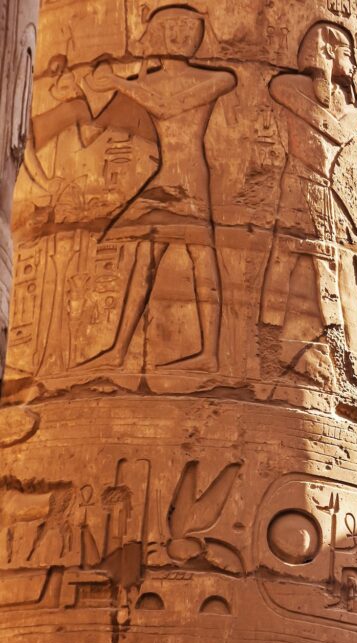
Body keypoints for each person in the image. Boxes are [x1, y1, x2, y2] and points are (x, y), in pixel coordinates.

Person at [80, 6, 235, 371]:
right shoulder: (145, 82)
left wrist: (118, 82)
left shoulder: (217, 77)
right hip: (166, 177)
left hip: (191, 178)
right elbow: (95, 117)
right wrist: (98, 81)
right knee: (144, 258)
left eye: (188, 29)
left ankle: (210, 354)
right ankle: (119, 351)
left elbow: (167, 107)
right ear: (157, 35)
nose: (181, 37)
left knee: (202, 257)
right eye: (172, 29)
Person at [260, 21, 357, 334]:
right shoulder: (290, 86)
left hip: (321, 186)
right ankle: (270, 326)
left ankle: (330, 328)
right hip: (298, 180)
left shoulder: (343, 102)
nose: (355, 64)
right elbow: (337, 130)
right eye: (348, 54)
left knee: (323, 258)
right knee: (287, 255)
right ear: (328, 52)